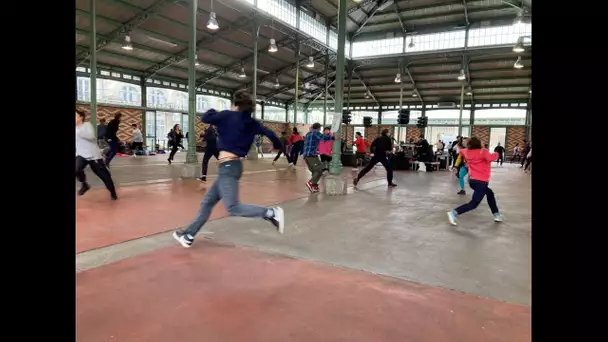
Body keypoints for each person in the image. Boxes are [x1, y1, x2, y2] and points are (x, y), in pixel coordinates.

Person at [173, 90, 284, 248]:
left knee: (233, 207)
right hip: (232, 167)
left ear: (235, 105)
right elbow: (270, 133)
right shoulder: (252, 122)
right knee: (207, 202)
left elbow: (206, 117)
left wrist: (214, 110)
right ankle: (189, 235)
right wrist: (277, 146)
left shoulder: (227, 115)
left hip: (229, 167)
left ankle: (271, 213)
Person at [446, 137, 504, 226]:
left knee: (490, 193)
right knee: (473, 204)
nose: (483, 143)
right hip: (481, 182)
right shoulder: (483, 151)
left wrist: (456, 165)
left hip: (473, 181)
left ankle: (496, 214)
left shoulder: (466, 151)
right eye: (481, 142)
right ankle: (454, 212)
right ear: (478, 143)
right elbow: (491, 158)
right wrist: (497, 153)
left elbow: (461, 152)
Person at [75, 109, 118, 200]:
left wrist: (79, 131)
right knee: (76, 169)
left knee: (104, 176)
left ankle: (112, 192)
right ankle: (84, 185)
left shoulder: (87, 125)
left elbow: (91, 136)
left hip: (94, 156)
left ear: (81, 117)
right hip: (81, 155)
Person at [301, 123, 336, 193]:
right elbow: (323, 137)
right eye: (320, 129)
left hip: (306, 156)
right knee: (320, 169)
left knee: (315, 171)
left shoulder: (308, 134)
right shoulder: (315, 133)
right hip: (311, 156)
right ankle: (311, 183)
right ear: (319, 128)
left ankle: (314, 186)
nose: (320, 130)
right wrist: (333, 138)